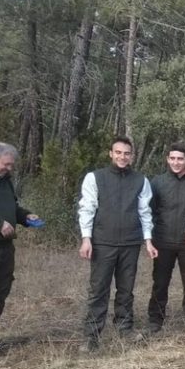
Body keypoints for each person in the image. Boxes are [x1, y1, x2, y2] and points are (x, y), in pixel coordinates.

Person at [77, 136, 157, 352]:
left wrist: (148, 241)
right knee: (99, 289)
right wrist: (87, 238)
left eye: (127, 153)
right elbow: (87, 208)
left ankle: (125, 328)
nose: (123, 157)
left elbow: (145, 212)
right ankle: (91, 336)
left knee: (126, 289)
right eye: (118, 152)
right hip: (103, 243)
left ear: (132, 156)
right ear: (111, 153)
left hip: (130, 243)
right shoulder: (95, 178)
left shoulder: (141, 180)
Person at [147, 143, 185, 333]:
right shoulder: (157, 182)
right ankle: (155, 319)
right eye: (172, 158)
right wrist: (152, 237)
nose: (176, 162)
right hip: (163, 242)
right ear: (167, 159)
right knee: (160, 282)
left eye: (180, 159)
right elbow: (149, 211)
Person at [0, 143, 39, 352]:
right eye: (6, 164)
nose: (10, 169)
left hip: (5, 249)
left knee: (1, 292)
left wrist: (25, 216)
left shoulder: (6, 182)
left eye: (12, 165)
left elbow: (12, 208)